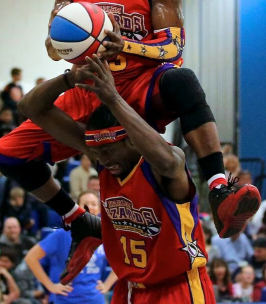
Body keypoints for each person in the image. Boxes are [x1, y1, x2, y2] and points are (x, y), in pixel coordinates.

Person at [0, 0, 260, 270]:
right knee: (5, 153)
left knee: (182, 80)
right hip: (90, 87)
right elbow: (52, 47)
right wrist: (65, 42)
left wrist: (127, 44)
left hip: (139, 85)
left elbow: (175, 46)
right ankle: (78, 221)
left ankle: (217, 185)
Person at [19, 55, 215, 301]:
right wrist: (69, 78)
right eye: (96, 151)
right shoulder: (103, 158)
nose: (102, 158)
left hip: (177, 288)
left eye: (108, 151)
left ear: (131, 141)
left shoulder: (164, 164)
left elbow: (169, 161)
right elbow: (30, 107)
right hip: (129, 288)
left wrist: (112, 97)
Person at [25, 191, 116, 303]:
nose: (90, 207)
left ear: (99, 209)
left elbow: (123, 261)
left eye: (94, 204)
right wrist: (50, 286)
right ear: (77, 209)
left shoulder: (105, 236)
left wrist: (107, 285)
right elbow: (31, 258)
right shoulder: (62, 234)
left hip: (95, 299)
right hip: (66, 299)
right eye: (85, 203)